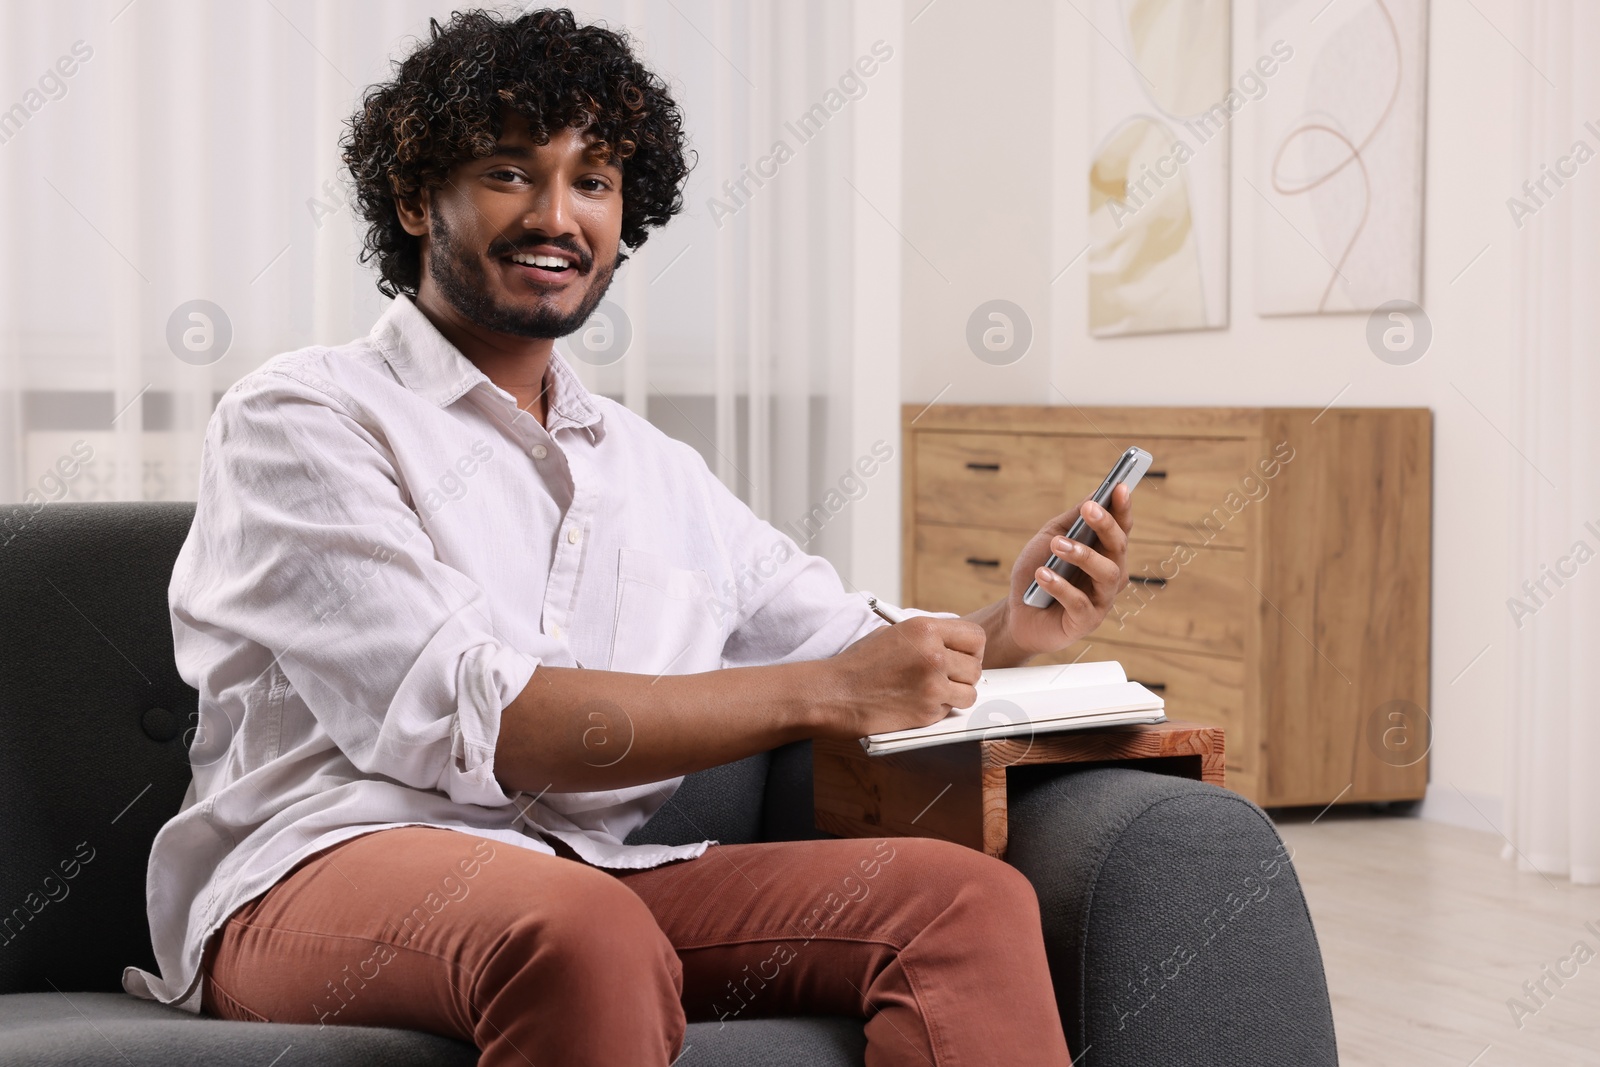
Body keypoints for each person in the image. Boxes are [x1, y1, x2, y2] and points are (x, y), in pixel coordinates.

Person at [122, 9, 1134, 1065]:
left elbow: (847, 639)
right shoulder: (302, 414)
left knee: (960, 903)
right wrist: (828, 689)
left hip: (582, 870)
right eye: (511, 172)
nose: (557, 214)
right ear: (417, 197)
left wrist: (1005, 627)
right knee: (581, 930)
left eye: (594, 180)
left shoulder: (654, 470)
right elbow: (478, 717)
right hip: (313, 872)